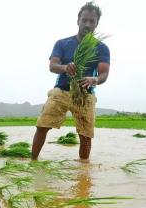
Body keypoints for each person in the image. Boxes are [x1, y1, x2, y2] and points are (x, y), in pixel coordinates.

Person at [31, 1, 110, 160]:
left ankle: (83, 171)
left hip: (85, 94)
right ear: (78, 21)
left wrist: (93, 79)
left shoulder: (101, 48)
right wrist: (65, 68)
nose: (87, 24)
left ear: (96, 24)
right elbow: (53, 66)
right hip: (61, 91)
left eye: (91, 21)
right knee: (42, 126)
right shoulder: (62, 43)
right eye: (84, 20)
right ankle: (33, 162)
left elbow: (104, 74)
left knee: (86, 135)